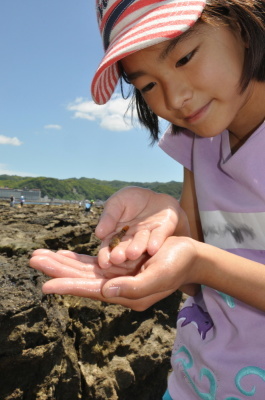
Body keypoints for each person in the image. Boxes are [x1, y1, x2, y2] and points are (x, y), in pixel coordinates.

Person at [29, 1, 265, 398]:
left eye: (185, 57)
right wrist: (164, 223)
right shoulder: (197, 141)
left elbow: (202, 261)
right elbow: (195, 280)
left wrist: (200, 262)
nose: (175, 98)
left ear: (241, 25)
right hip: (190, 382)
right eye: (147, 85)